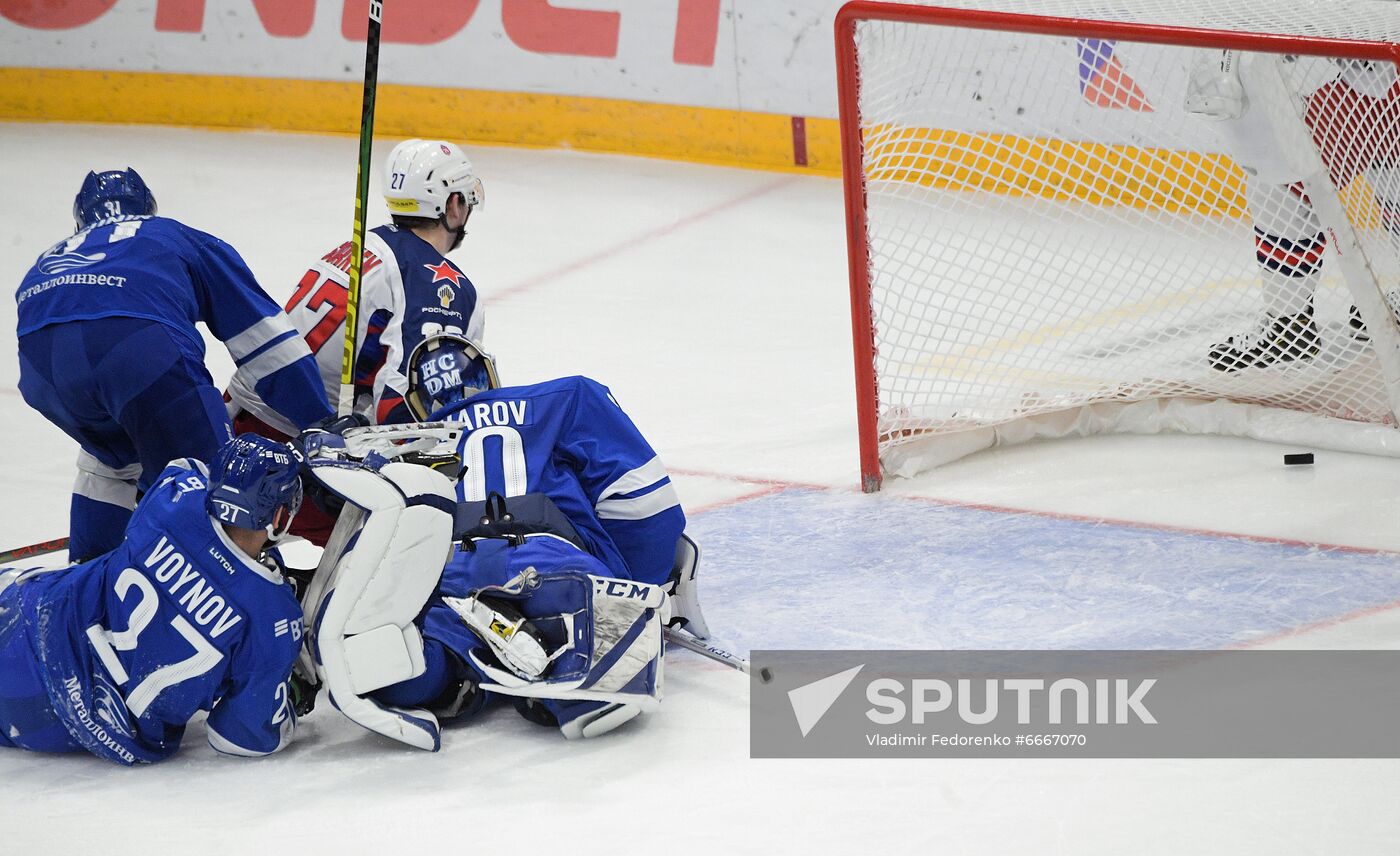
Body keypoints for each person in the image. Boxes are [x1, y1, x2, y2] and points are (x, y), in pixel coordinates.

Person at [300, 336, 700, 742]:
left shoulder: (398, 444)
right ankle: (556, 663)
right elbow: (645, 503)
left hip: (442, 571)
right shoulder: (567, 397)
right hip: (547, 556)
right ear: (489, 374)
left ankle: (446, 672)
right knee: (600, 649)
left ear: (419, 404)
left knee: (412, 657)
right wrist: (633, 584)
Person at [15, 169, 331, 561]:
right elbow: (265, 340)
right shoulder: (170, 234)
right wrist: (319, 421)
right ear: (148, 209)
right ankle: (245, 606)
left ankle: (88, 585)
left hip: (42, 372)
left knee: (109, 461)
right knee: (224, 484)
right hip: (137, 350)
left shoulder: (50, 256)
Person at [230, 138, 486, 544]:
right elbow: (405, 408)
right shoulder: (439, 283)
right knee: (426, 533)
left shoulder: (360, 246)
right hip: (295, 459)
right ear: (452, 205)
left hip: (238, 434)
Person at [0, 434, 307, 765]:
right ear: (278, 518)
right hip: (58, 720)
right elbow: (242, 738)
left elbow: (191, 469)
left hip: (31, 619)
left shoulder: (174, 499)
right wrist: (288, 697)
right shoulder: (274, 617)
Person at [1188, 52, 1400, 370]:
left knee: (1282, 179)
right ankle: (1289, 328)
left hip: (1377, 76)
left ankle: (1288, 327)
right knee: (1390, 167)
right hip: (1380, 73)